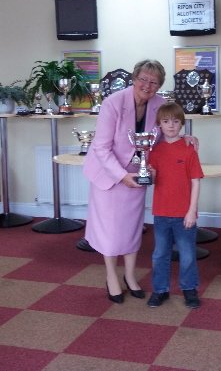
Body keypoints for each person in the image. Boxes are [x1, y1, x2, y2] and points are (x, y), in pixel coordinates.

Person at [82, 59, 166, 304]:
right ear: (134, 78)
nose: (147, 85)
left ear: (159, 85)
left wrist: (187, 138)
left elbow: (166, 135)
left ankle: (129, 276)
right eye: (143, 79)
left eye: (154, 82)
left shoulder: (160, 105)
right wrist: (121, 176)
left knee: (131, 228)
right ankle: (111, 276)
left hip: (137, 174)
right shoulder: (113, 102)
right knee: (110, 231)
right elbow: (101, 147)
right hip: (109, 175)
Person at [146, 102, 204, 309]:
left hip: (184, 214)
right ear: (159, 125)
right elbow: (152, 179)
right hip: (161, 213)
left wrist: (192, 211)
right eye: (166, 121)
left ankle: (189, 289)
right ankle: (160, 290)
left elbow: (196, 181)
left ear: (182, 124)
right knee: (160, 254)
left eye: (176, 121)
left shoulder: (189, 150)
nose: (171, 125)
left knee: (187, 254)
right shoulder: (155, 150)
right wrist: (148, 173)